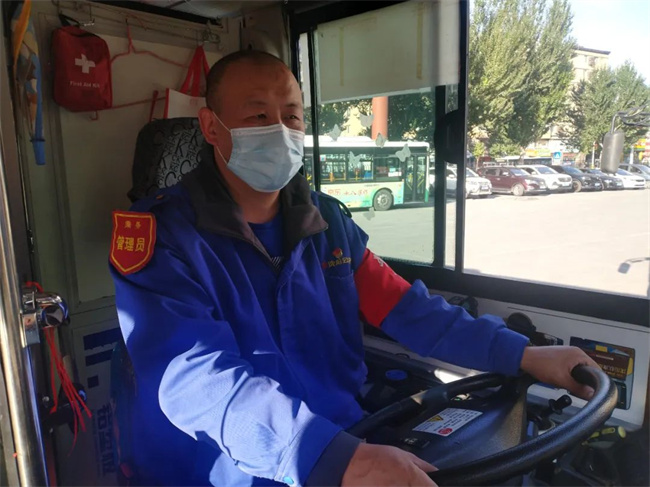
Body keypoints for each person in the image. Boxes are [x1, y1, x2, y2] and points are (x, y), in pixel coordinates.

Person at [110, 50, 599, 487]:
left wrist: (523, 354)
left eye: (292, 116)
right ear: (212, 127)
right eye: (258, 115)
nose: (280, 130)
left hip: (345, 441)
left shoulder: (327, 223)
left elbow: (408, 310)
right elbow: (196, 375)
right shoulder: (163, 236)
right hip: (233, 467)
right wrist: (328, 457)